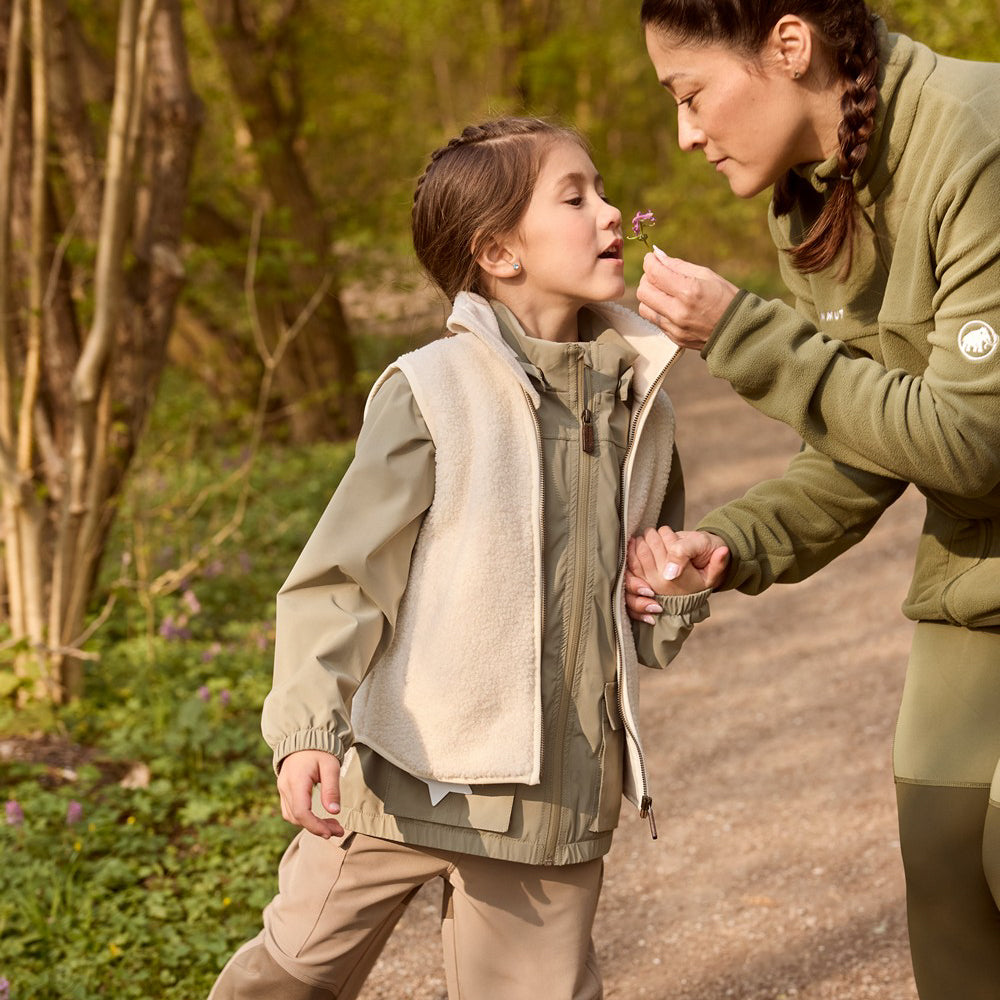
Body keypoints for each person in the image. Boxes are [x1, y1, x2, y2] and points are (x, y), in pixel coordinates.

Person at [208, 115, 723, 1000]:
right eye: (575, 198)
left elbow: (641, 617)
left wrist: (670, 590)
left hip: (552, 800)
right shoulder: (431, 393)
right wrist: (307, 732)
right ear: (498, 252)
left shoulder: (644, 408)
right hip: (401, 775)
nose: (611, 213)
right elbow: (343, 580)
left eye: (603, 191)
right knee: (285, 980)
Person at [623, 2, 1000, 997]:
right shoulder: (810, 201)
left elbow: (970, 444)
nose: (684, 133)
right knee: (947, 866)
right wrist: (730, 544)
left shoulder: (977, 139)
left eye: (690, 95)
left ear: (789, 47)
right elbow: (861, 450)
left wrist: (741, 335)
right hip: (979, 571)